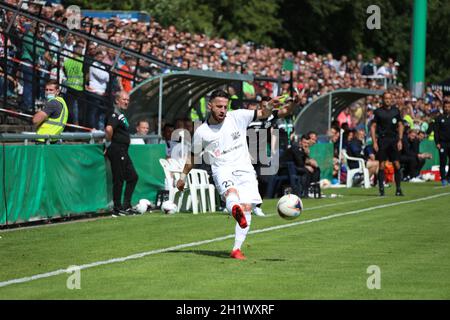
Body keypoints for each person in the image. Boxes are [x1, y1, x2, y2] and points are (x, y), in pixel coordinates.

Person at [176, 89, 273, 260]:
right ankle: (234, 209)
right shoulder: (202, 131)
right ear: (210, 106)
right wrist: (182, 177)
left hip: (244, 168)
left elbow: (264, 113)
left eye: (225, 107)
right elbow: (193, 156)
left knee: (247, 207)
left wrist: (270, 107)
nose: (222, 110)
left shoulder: (238, 116)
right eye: (219, 106)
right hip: (222, 168)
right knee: (231, 194)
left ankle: (236, 249)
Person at [105, 91, 139, 216]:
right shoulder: (115, 114)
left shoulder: (121, 114)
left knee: (133, 177)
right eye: (124, 99)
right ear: (117, 100)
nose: (126, 102)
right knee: (118, 179)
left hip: (123, 150)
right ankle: (117, 208)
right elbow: (109, 129)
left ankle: (126, 206)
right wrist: (109, 143)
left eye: (127, 100)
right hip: (117, 149)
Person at [370, 91, 404, 196]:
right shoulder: (378, 112)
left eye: (389, 98)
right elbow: (373, 127)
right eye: (386, 98)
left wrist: (400, 140)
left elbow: (401, 125)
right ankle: (381, 190)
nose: (388, 100)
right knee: (381, 165)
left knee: (397, 164)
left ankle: (398, 189)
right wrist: (374, 141)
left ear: (392, 99)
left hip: (394, 140)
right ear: (383, 99)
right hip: (383, 140)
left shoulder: (396, 111)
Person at [32, 80, 68, 144]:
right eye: (46, 90)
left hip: (44, 140)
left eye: (51, 90)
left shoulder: (52, 103)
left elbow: (35, 120)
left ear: (57, 91)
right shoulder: (62, 102)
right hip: (54, 139)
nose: (48, 92)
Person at [434, 97, 450, 186]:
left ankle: (448, 177)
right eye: (445, 107)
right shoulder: (439, 118)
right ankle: (443, 179)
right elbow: (436, 132)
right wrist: (437, 143)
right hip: (443, 143)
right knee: (443, 161)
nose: (447, 108)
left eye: (448, 107)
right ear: (443, 107)